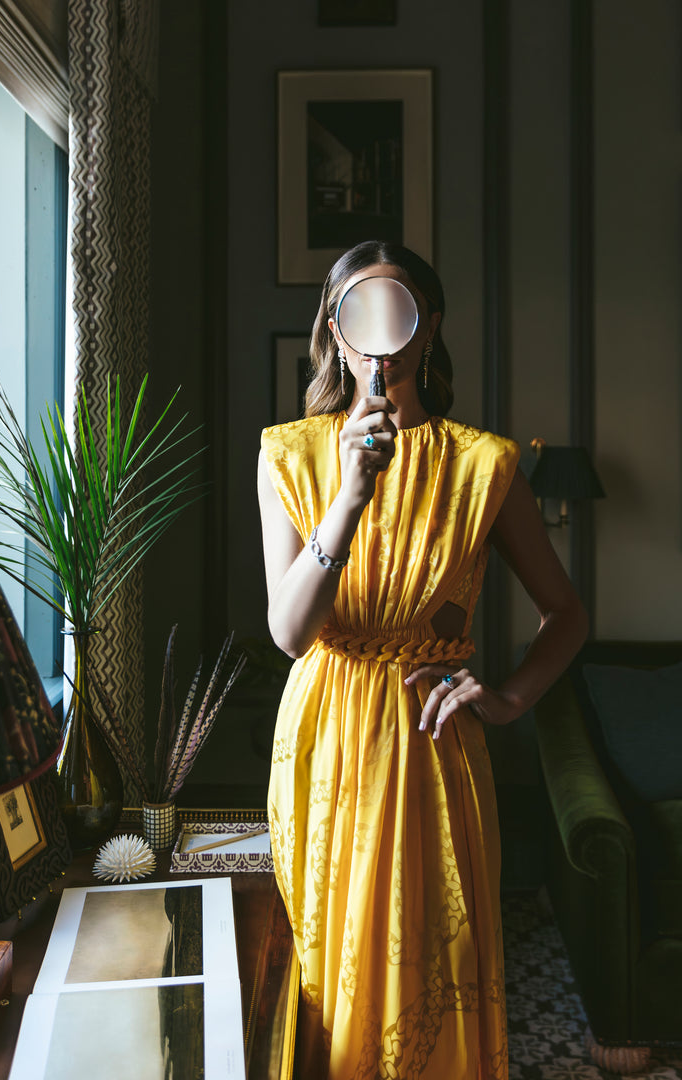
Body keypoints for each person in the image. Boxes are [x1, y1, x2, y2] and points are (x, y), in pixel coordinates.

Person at [257, 240, 587, 1079]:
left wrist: (508, 699)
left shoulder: (485, 466)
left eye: (397, 314)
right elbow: (291, 634)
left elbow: (567, 615)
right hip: (325, 749)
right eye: (356, 315)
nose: (379, 341)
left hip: (432, 754)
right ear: (334, 332)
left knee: (433, 978)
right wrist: (347, 502)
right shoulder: (290, 456)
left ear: (427, 331)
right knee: (325, 985)